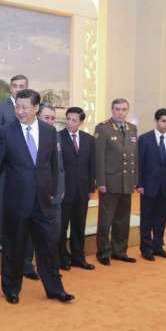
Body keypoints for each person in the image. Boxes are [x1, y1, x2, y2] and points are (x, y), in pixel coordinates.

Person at [0, 89, 74, 305]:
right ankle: (11, 289)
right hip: (16, 200)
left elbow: (53, 164)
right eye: (18, 106)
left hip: (44, 201)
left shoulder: (49, 132)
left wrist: (53, 189)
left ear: (36, 108)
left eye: (25, 107)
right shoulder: (6, 132)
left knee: (48, 247)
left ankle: (55, 289)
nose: (20, 111)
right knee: (14, 247)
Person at [0, 74, 38, 280]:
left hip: (31, 181)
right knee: (11, 226)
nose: (18, 89)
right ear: (10, 88)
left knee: (30, 223)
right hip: (9, 178)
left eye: (22, 86)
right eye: (15, 86)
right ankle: (12, 266)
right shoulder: (1, 109)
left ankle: (27, 264)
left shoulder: (34, 110)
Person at [95, 98, 138, 266]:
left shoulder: (132, 128)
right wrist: (101, 181)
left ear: (127, 111)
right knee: (106, 220)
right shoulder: (103, 128)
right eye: (117, 109)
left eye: (124, 109)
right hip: (109, 181)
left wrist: (135, 180)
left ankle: (119, 251)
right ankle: (103, 252)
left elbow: (134, 157)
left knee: (123, 219)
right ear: (112, 110)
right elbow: (99, 157)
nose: (120, 112)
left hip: (126, 182)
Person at [137, 109, 166, 261]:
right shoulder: (144, 139)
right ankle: (146, 248)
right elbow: (139, 163)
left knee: (161, 218)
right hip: (148, 185)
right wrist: (139, 184)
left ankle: (158, 246)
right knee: (147, 218)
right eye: (163, 121)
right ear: (156, 121)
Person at [59, 107, 96, 270]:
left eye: (74, 120)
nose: (70, 123)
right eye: (68, 119)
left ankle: (78, 257)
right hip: (63, 191)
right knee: (61, 227)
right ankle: (61, 258)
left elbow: (92, 165)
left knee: (79, 225)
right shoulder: (57, 137)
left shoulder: (88, 139)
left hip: (82, 190)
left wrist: (91, 187)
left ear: (81, 122)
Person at [37, 103, 65, 243]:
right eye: (46, 117)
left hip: (56, 197)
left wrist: (61, 190)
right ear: (37, 116)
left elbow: (60, 168)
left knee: (54, 235)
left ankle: (50, 265)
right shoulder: (32, 137)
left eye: (53, 118)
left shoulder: (56, 135)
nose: (50, 121)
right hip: (39, 197)